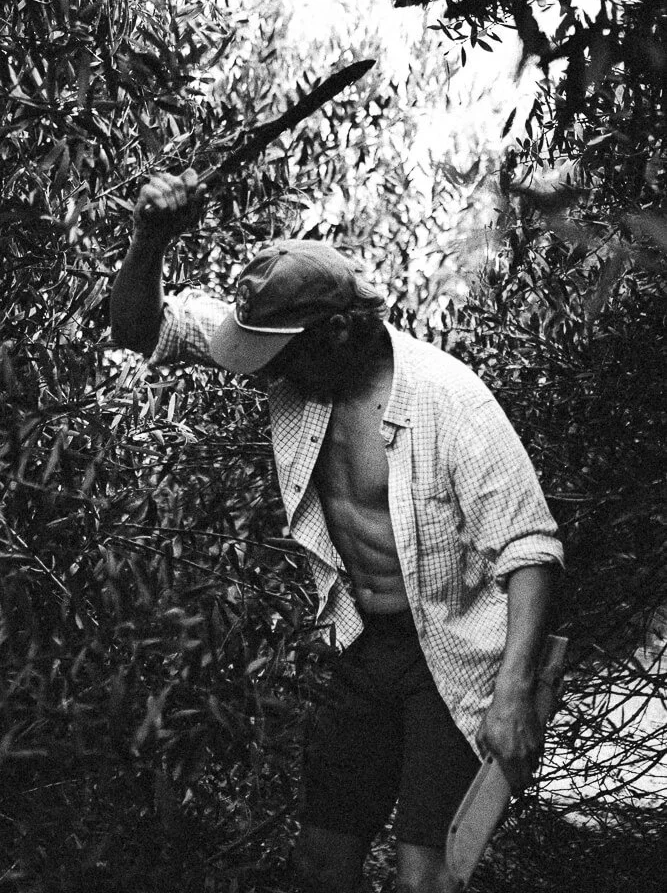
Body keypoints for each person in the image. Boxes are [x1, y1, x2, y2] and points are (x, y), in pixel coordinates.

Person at [111, 169, 564, 893]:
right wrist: (150, 236)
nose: (270, 373)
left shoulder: (451, 403)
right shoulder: (299, 371)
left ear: (336, 333)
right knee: (322, 864)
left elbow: (528, 549)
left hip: (453, 656)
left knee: (427, 878)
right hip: (360, 644)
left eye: (284, 355)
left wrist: (513, 695)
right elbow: (142, 328)